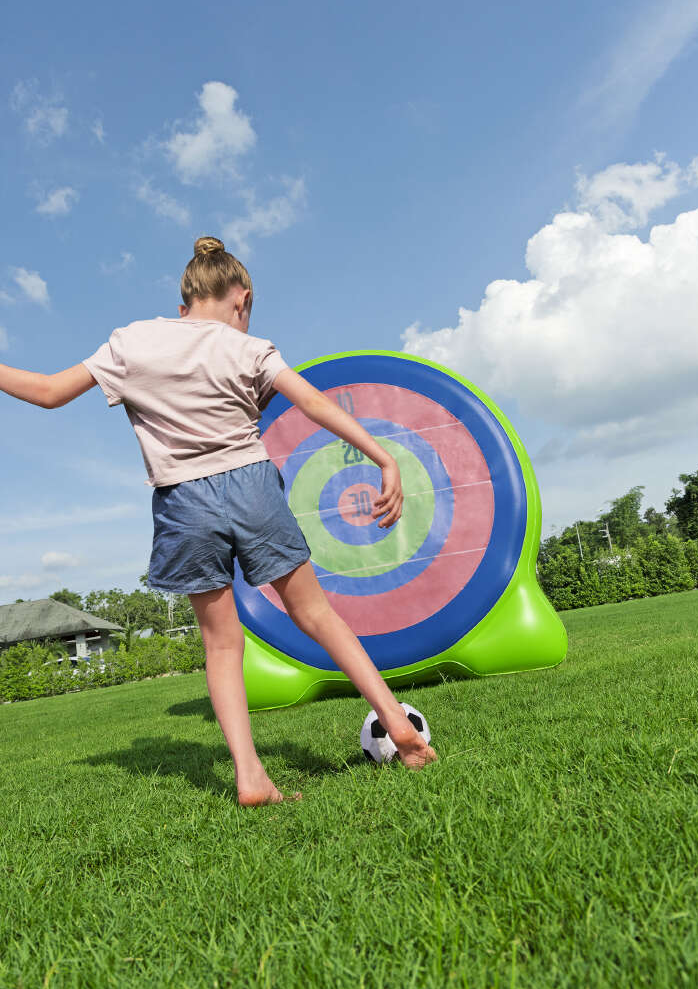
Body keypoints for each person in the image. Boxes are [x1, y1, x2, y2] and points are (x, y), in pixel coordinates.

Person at [0, 236, 437, 805]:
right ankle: (396, 725)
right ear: (242, 298)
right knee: (317, 615)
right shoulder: (250, 346)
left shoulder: (132, 341)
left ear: (184, 304)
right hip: (252, 484)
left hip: (183, 501)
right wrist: (383, 457)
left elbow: (51, 392)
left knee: (222, 646)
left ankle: (250, 776)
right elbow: (314, 404)